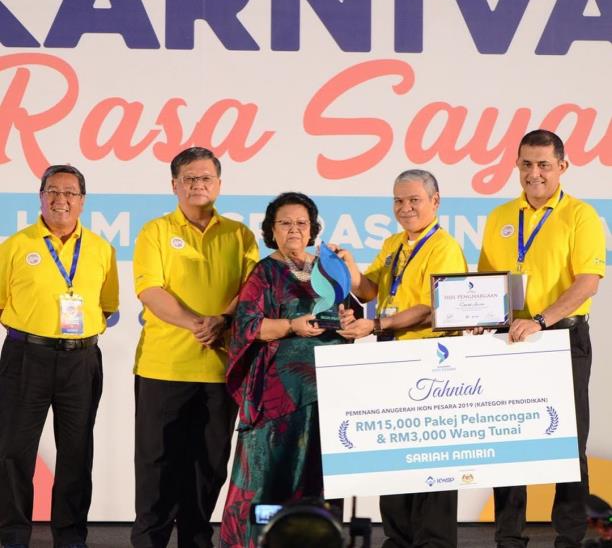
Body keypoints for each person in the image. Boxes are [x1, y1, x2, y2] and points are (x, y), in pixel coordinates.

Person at [478, 129, 606, 548]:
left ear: (562, 167)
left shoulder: (581, 216)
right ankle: (508, 537)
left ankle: (569, 537)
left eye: (544, 165)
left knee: (567, 442)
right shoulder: (499, 216)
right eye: (527, 164)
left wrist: (541, 320)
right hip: (508, 341)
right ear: (517, 165)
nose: (534, 173)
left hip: (563, 338)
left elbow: (587, 282)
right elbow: (487, 283)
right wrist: (477, 318)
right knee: (507, 439)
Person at [131, 147, 259, 548]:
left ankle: (196, 539)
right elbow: (151, 290)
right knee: (156, 464)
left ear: (219, 184)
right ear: (174, 185)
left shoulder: (239, 235)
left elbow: (251, 291)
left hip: (222, 369)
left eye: (205, 178)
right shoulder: (154, 231)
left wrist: (222, 319)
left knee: (209, 465)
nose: (197, 185)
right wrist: (197, 324)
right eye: (189, 178)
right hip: (163, 367)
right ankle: (148, 541)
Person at [337, 169, 466, 548]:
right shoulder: (393, 242)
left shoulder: (444, 247)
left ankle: (433, 541)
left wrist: (378, 323)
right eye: (398, 200)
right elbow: (370, 289)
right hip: (393, 355)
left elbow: (433, 307)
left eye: (414, 200)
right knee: (395, 451)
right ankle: (398, 537)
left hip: (431, 358)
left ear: (435, 202)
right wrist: (349, 267)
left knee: (433, 457)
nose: (405, 208)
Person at [219, 192, 353, 548]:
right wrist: (292, 325)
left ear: (312, 229)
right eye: (285, 223)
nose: (294, 229)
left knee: (319, 478)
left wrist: (348, 321)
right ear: (271, 230)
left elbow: (349, 314)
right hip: (278, 396)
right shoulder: (264, 272)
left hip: (327, 391)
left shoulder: (328, 268)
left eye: (301, 223)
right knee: (269, 477)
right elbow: (248, 326)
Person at [0, 165, 119, 548]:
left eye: (70, 192)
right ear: (40, 197)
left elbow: (107, 306)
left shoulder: (101, 249)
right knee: (14, 451)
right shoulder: (15, 245)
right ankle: (12, 535)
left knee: (76, 451)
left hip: (80, 361)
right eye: (52, 191)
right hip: (25, 356)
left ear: (82, 201)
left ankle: (70, 535)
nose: (60, 199)